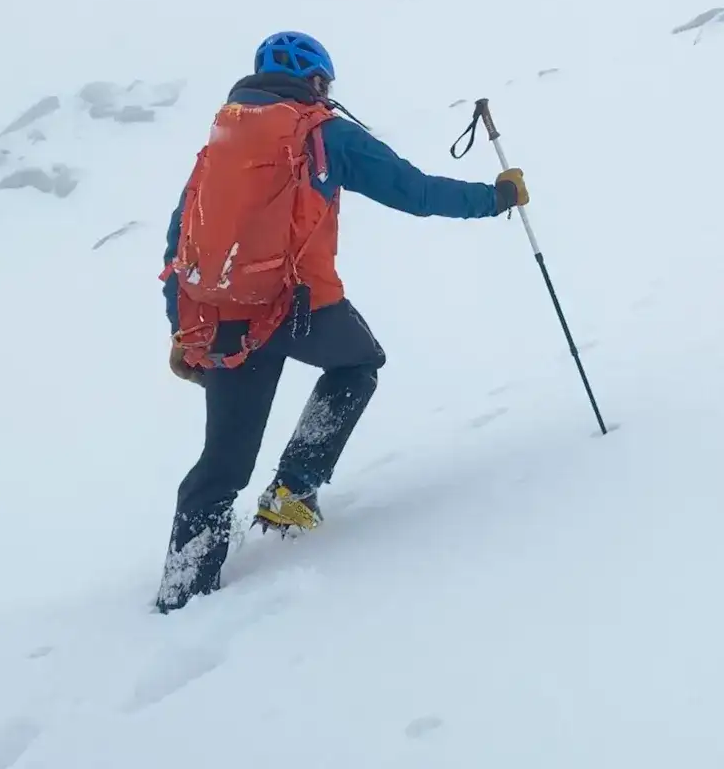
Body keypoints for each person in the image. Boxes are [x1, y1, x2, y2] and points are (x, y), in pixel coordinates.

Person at [154, 31, 529, 613]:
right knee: (358, 363)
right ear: (319, 82)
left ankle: (181, 594)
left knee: (223, 464)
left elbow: (179, 240)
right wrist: (495, 197)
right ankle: (292, 491)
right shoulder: (324, 132)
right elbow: (416, 191)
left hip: (224, 318)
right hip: (302, 308)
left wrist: (182, 329)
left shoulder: (221, 139)